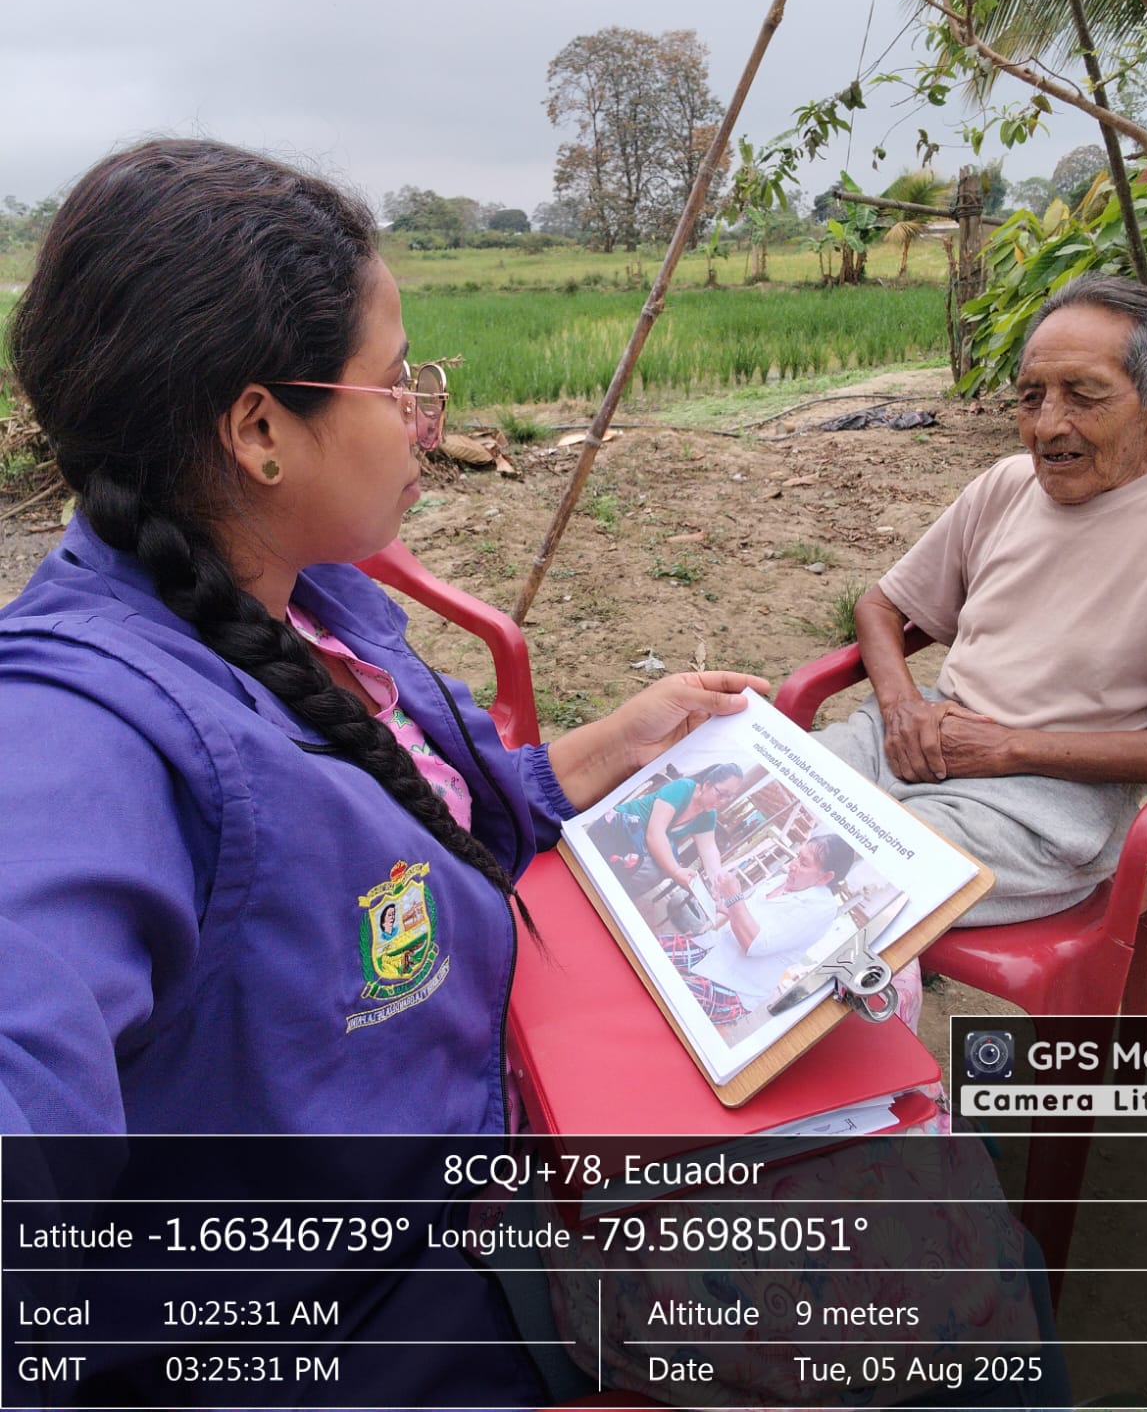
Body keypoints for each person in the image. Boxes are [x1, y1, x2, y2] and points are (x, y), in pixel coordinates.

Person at [0, 138, 771, 1140]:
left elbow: (419, 813)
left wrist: (615, 745)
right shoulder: (82, 730)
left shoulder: (301, 594)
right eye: (396, 382)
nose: (420, 417)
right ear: (260, 431)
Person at [817, 273, 1147, 924]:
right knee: (752, 809)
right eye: (1031, 397)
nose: (1048, 427)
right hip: (917, 735)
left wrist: (1011, 749)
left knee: (839, 885)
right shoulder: (1006, 484)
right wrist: (903, 707)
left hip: (1046, 797)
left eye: (1083, 396)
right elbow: (879, 606)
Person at [657, 832, 854, 1023]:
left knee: (667, 994)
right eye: (797, 857)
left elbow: (754, 944)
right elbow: (747, 914)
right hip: (713, 949)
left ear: (826, 877)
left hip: (734, 986)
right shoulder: (784, 881)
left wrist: (734, 897)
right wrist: (719, 903)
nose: (793, 866)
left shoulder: (820, 910)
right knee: (651, 951)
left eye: (804, 864)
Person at [589, 761, 743, 900]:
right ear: (707, 785)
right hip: (617, 830)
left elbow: (709, 849)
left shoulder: (708, 815)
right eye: (721, 794)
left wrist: (717, 883)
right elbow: (655, 834)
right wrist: (676, 871)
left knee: (650, 870)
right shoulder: (683, 788)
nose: (722, 801)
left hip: (636, 848)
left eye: (728, 797)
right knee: (649, 869)